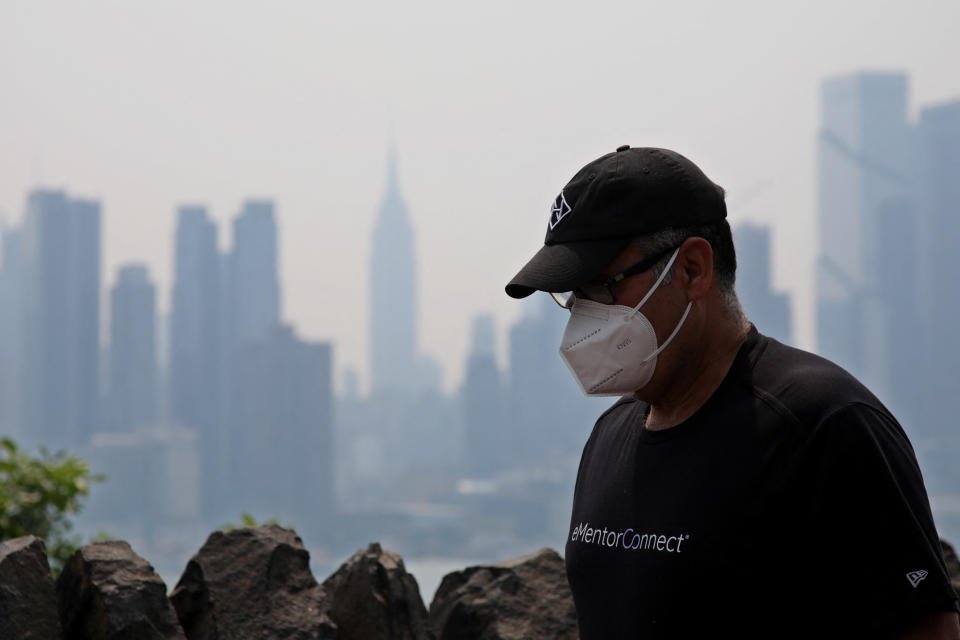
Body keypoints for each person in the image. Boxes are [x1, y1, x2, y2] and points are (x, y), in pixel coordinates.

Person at [504, 145, 960, 639]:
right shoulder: (609, 436)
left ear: (693, 269)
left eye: (599, 288)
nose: (582, 316)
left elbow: (926, 629)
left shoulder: (825, 427)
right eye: (572, 298)